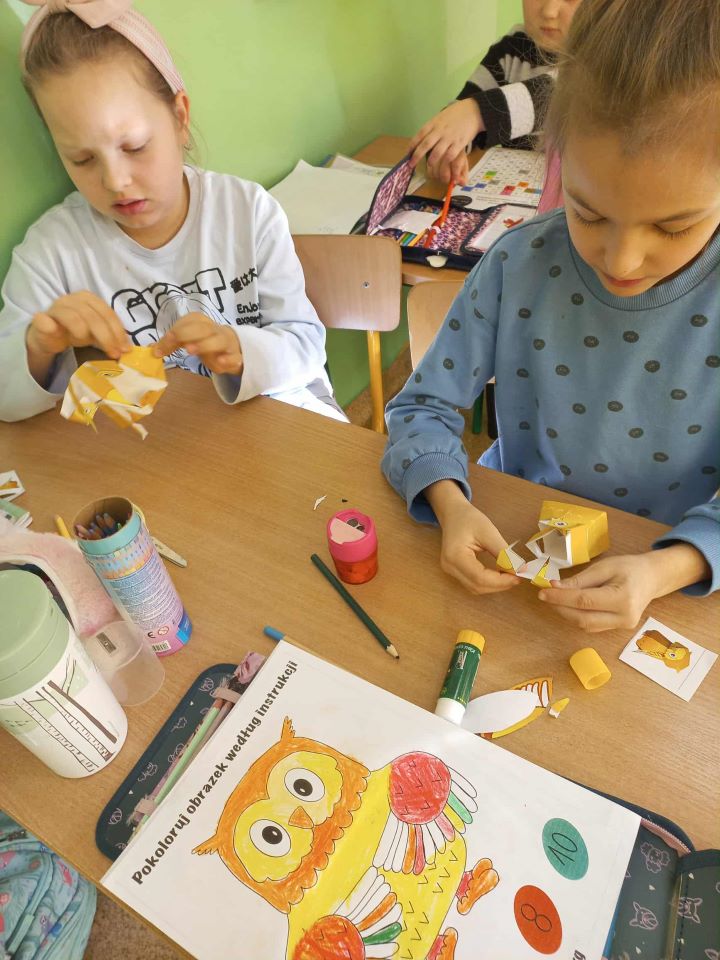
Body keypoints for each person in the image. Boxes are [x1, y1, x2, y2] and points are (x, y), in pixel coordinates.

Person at [383, 0, 720, 632]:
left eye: (673, 227)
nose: (621, 260)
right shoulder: (519, 263)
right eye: (588, 212)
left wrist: (668, 568)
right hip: (514, 546)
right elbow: (420, 409)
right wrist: (449, 504)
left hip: (674, 584)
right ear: (558, 161)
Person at [0, 0, 346, 424]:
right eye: (82, 159)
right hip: (159, 446)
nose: (116, 181)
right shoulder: (52, 251)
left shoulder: (247, 212)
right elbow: (6, 401)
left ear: (180, 118)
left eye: (135, 147)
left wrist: (240, 352)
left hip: (276, 421)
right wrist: (38, 348)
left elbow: (306, 347)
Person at [408, 0, 582, 185]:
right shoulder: (512, 48)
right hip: (518, 190)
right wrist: (449, 148)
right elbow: (459, 116)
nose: (549, 11)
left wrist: (476, 112)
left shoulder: (602, 59)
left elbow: (559, 96)